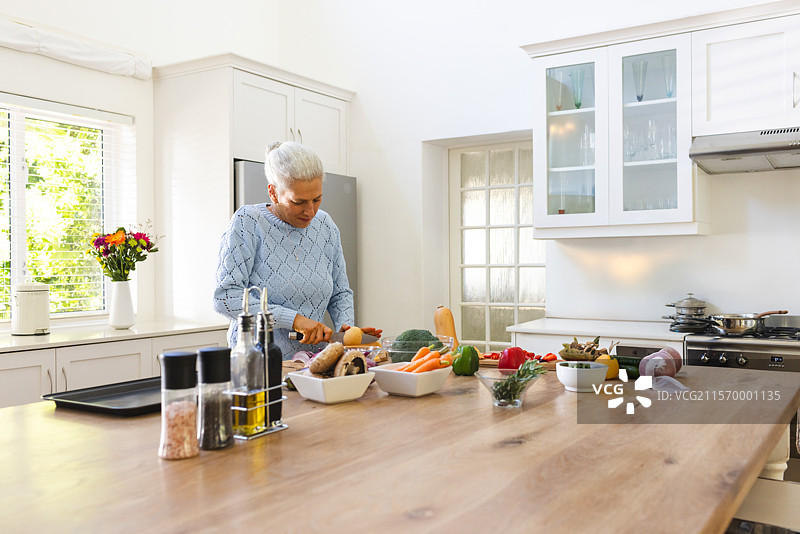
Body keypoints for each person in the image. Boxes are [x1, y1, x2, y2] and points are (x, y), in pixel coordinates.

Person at [213, 141, 381, 358]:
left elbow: (340, 293)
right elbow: (225, 298)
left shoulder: (325, 225)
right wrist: (294, 320)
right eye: (298, 202)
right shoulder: (248, 222)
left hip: (312, 362)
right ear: (273, 193)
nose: (310, 211)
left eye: (317, 199)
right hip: (257, 362)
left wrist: (346, 330)